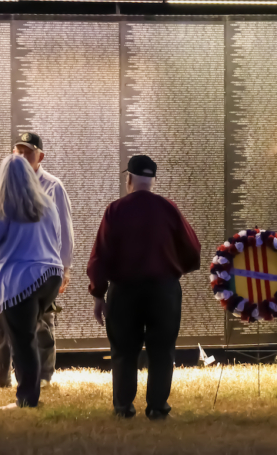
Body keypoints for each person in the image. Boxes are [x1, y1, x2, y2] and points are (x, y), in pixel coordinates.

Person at [87, 155, 201, 419]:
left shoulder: (115, 210)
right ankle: (157, 407)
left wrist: (98, 294)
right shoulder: (168, 208)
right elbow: (192, 247)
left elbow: (100, 256)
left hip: (124, 291)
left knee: (124, 350)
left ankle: (123, 406)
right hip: (164, 290)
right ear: (153, 181)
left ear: (128, 179)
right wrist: (173, 271)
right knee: (162, 349)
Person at [0, 132, 74, 390]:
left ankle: (39, 379)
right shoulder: (10, 192)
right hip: (26, 273)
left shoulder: (53, 187)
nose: (21, 156)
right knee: (0, 322)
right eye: (17, 152)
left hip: (19, 274)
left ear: (40, 156)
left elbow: (64, 231)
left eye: (27, 152)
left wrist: (66, 267)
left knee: (37, 328)